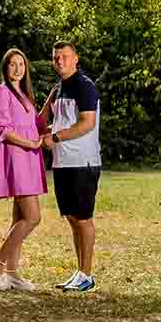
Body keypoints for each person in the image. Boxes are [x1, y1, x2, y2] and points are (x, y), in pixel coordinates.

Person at [0, 47, 47, 291]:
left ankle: (11, 273)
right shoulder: (1, 91)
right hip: (17, 157)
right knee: (33, 217)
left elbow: (35, 124)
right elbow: (3, 129)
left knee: (19, 218)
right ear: (5, 67)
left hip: (30, 158)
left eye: (21, 64)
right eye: (13, 64)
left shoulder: (25, 95)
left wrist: (50, 101)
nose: (18, 68)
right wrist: (30, 143)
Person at [41, 40, 100, 292]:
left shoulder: (84, 86)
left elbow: (87, 123)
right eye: (56, 58)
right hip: (62, 163)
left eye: (64, 56)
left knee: (83, 219)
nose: (60, 61)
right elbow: (41, 119)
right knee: (72, 218)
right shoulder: (58, 89)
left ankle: (86, 275)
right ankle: (79, 272)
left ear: (76, 58)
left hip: (82, 162)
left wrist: (54, 137)